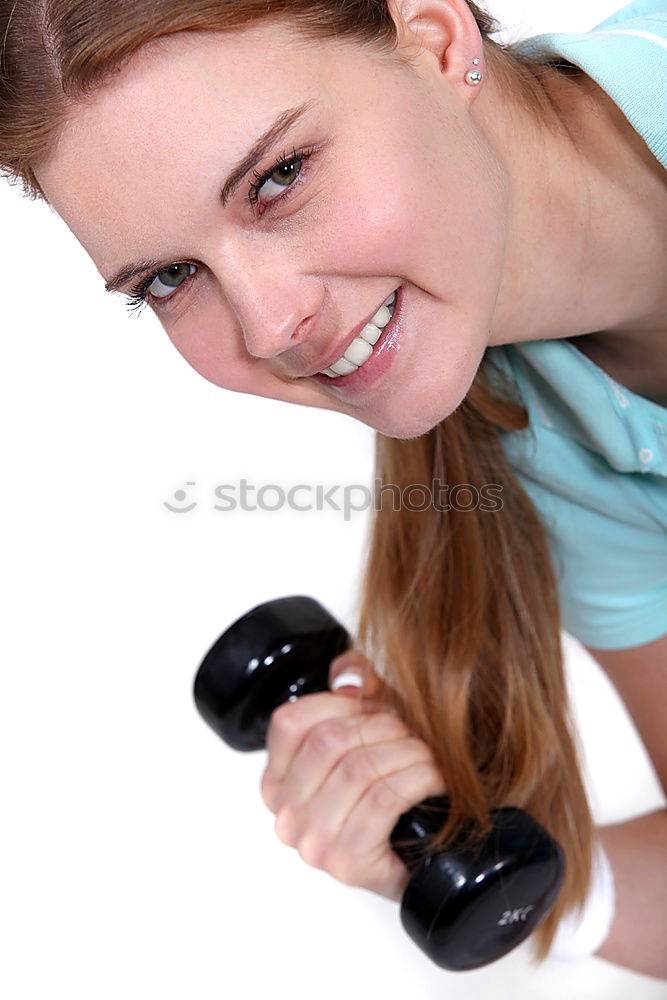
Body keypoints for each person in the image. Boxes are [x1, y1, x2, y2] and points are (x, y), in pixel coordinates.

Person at [1, 0, 665, 978]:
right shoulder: (539, 445)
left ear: (436, 39)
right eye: (172, 276)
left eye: (279, 176)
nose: (269, 325)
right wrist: (466, 869)